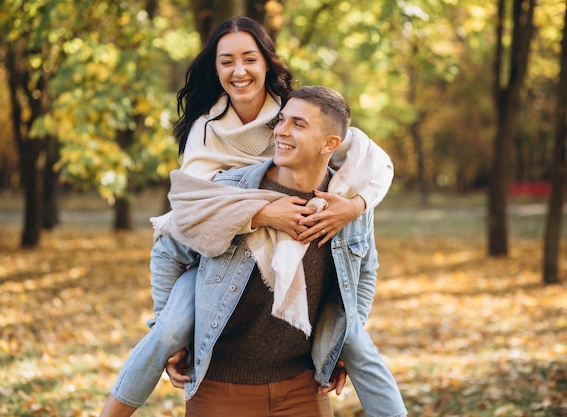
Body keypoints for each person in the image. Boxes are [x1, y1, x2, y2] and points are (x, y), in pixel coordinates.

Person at [99, 17, 398, 417]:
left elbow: (375, 164)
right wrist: (263, 212)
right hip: (214, 268)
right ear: (215, 69)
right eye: (226, 62)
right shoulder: (205, 134)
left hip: (295, 375)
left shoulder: (296, 112)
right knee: (168, 331)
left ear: (267, 63)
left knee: (359, 343)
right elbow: (187, 217)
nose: (239, 72)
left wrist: (356, 206)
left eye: (249, 59)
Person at [155, 86, 406, 416]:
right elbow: (169, 251)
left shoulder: (345, 205)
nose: (281, 132)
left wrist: (343, 338)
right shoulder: (232, 189)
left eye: (298, 124)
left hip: (302, 388)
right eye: (282, 120)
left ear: (330, 144)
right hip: (220, 388)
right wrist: (167, 333)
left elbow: (366, 271)